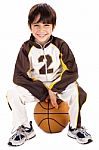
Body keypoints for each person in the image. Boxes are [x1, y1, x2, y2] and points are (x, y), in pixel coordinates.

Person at [6, 3, 92, 146]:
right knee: (12, 93)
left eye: (46, 25)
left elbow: (72, 71)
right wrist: (43, 92)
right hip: (37, 89)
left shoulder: (60, 45)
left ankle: (75, 127)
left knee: (76, 91)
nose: (41, 30)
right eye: (36, 25)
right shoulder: (26, 48)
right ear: (30, 26)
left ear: (53, 26)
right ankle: (25, 128)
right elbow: (18, 76)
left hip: (58, 86)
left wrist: (54, 89)